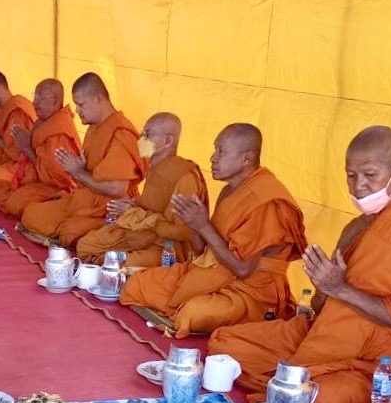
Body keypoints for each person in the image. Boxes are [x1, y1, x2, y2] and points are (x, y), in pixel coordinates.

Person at [208, 126, 391, 403]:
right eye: (351, 176)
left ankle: (297, 377)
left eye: (370, 175)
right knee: (225, 344)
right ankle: (296, 372)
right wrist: (322, 284)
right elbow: (322, 305)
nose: (359, 186)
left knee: (307, 399)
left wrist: (341, 289)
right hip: (327, 337)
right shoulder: (354, 228)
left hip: (381, 360)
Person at [120, 124, 306, 336]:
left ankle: (255, 320)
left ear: (246, 159)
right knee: (135, 286)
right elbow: (202, 252)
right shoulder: (229, 191)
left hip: (249, 291)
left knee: (190, 314)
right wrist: (193, 225)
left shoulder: (267, 201)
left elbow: (243, 270)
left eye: (221, 152)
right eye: (215, 150)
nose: (212, 158)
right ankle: (190, 302)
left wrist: (203, 225)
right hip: (209, 274)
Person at [20, 72, 145, 249]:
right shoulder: (95, 126)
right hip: (85, 199)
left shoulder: (120, 132)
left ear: (98, 99)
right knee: (32, 213)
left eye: (81, 104)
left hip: (110, 207)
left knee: (70, 231)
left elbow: (117, 189)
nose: (77, 110)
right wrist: (77, 169)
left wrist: (78, 172)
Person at [75, 112, 207, 268]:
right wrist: (132, 207)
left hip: (165, 245)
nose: (140, 139)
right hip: (141, 233)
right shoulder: (152, 167)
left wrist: (137, 214)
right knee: (86, 245)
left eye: (147, 134)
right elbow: (150, 206)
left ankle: (113, 264)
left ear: (167, 141)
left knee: (126, 263)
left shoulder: (183, 176)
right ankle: (110, 263)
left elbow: (183, 231)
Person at [0, 79, 81, 217]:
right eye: (35, 97)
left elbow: (57, 180)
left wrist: (27, 149)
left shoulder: (58, 132)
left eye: (40, 98)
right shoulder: (44, 121)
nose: (35, 103)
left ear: (55, 102)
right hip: (32, 179)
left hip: (55, 189)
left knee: (17, 205)